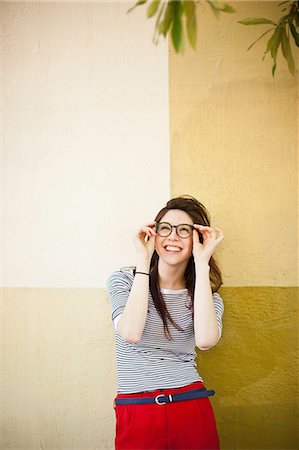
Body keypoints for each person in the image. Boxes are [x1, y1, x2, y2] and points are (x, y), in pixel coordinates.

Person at [107, 195, 224, 450]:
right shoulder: (123, 280)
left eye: (184, 231)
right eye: (165, 229)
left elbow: (205, 341)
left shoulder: (207, 296)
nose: (173, 237)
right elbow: (130, 333)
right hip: (137, 410)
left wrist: (202, 264)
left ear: (197, 239)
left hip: (191, 404)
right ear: (153, 235)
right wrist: (143, 260)